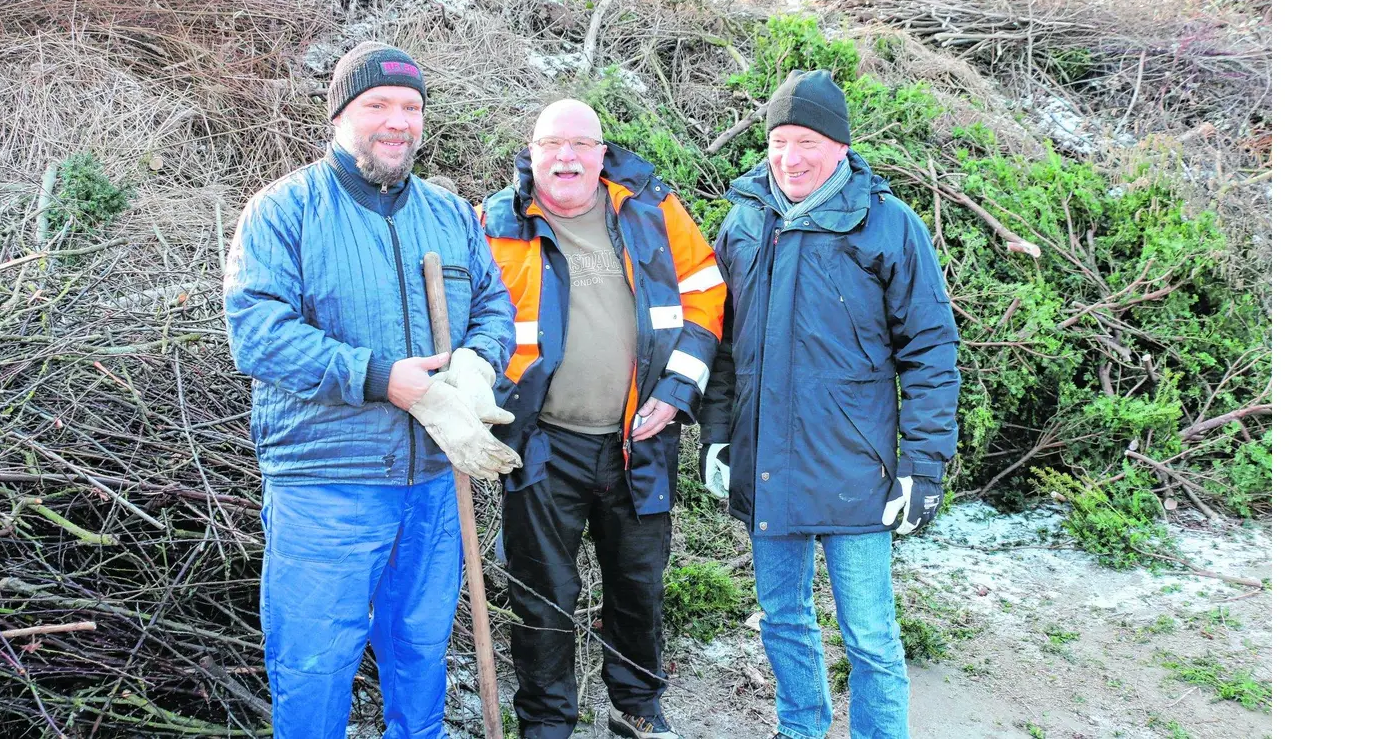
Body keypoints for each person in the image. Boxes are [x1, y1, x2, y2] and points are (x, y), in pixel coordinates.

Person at [223, 41, 522, 739]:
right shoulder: (284, 210)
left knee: (420, 656)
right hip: (326, 486)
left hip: (431, 484)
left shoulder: (449, 214)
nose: (397, 121)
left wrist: (478, 364)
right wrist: (382, 379)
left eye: (411, 107)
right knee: (314, 666)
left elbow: (494, 307)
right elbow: (258, 334)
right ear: (339, 117)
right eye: (377, 105)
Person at [698, 70, 961, 739]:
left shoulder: (890, 227)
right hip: (767, 464)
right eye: (780, 140)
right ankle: (802, 729)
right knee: (782, 618)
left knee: (870, 637)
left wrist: (923, 469)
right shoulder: (742, 222)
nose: (791, 157)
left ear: (840, 146)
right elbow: (722, 346)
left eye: (808, 141)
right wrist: (718, 437)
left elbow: (931, 353)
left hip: (857, 472)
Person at [479, 99, 726, 739]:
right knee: (540, 597)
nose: (567, 157)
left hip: (639, 441)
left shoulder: (650, 210)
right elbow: (468, 322)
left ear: (601, 153)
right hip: (538, 446)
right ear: (530, 154)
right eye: (552, 144)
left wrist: (676, 390)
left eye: (582, 145)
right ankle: (547, 725)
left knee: (637, 588)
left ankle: (637, 711)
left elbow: (706, 291)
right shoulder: (492, 225)